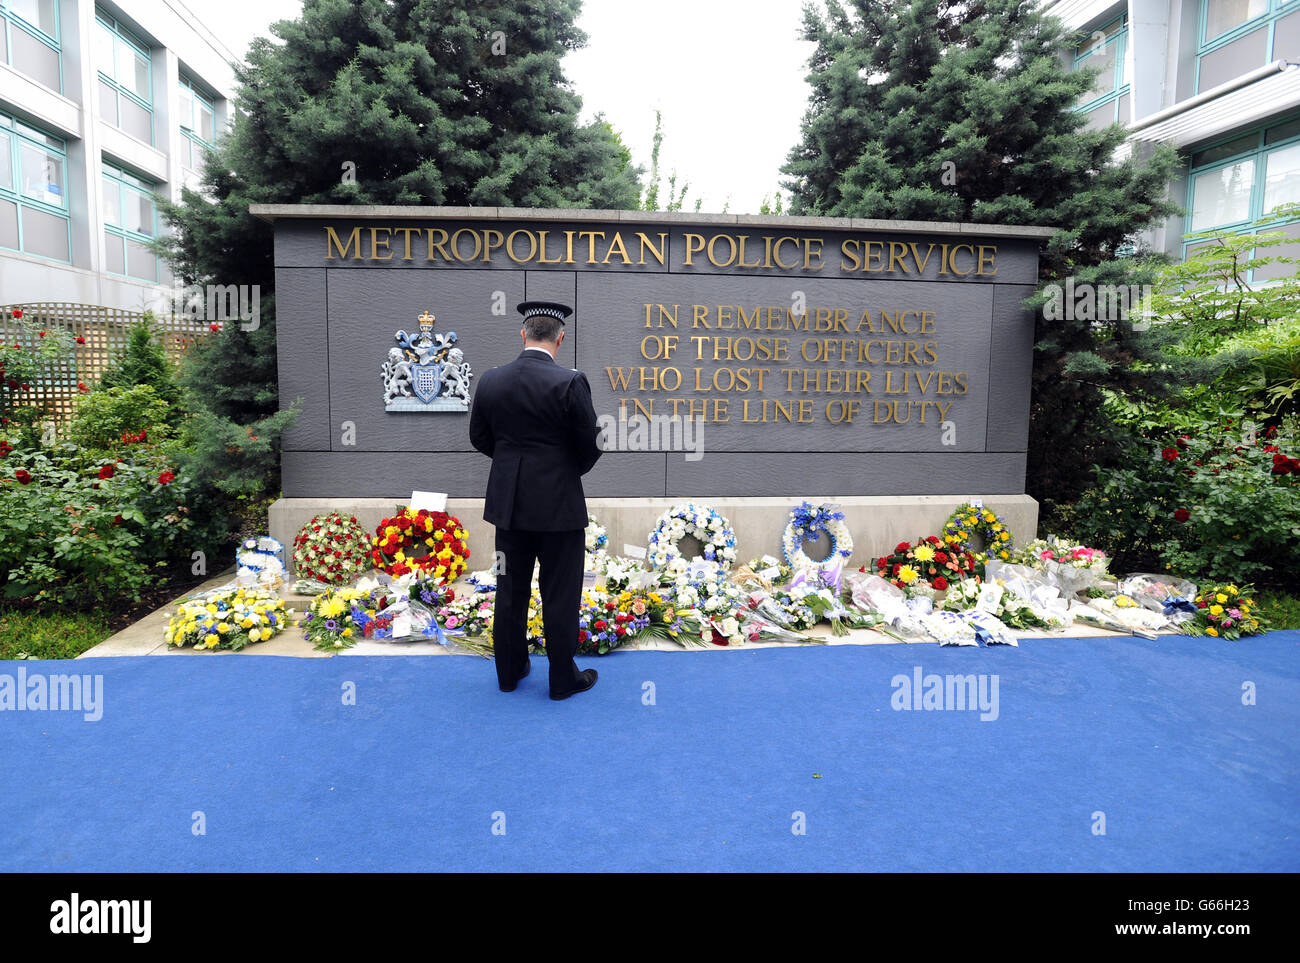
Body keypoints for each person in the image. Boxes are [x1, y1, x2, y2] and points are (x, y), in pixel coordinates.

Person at [469, 301, 603, 699]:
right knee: (560, 594)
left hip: (509, 510)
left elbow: (480, 437)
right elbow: (592, 444)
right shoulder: (570, 381)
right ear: (560, 339)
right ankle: (562, 679)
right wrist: (560, 472)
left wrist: (512, 466)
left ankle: (509, 673)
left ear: (523, 334)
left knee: (511, 589)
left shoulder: (491, 380)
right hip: (559, 510)